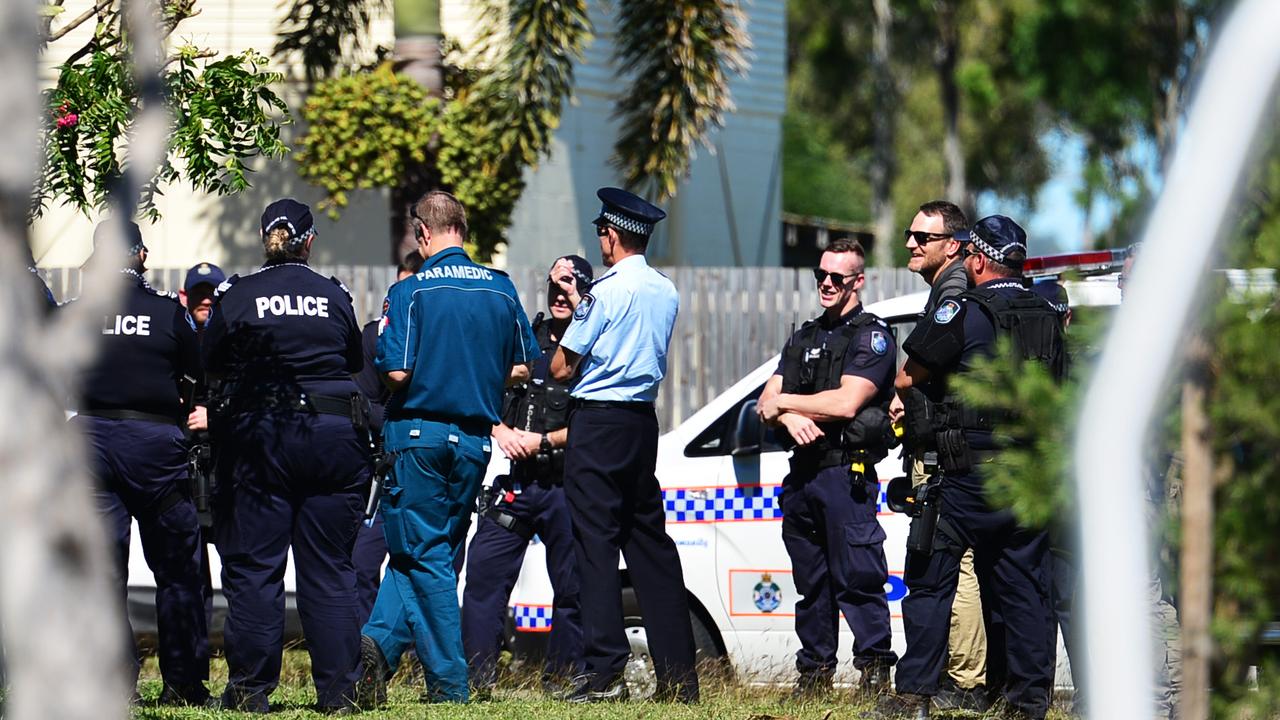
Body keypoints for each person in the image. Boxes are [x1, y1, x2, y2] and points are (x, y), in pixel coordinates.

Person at [874, 215, 1065, 720]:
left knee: (932, 578)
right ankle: (1028, 704)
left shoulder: (966, 310)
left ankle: (913, 695)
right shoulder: (1046, 312)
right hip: (1026, 475)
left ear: (977, 259)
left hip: (966, 475)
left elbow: (909, 377)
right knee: (1025, 589)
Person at [356, 190, 539, 706]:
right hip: (473, 444)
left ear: (423, 233)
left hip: (417, 438)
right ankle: (379, 644)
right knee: (427, 551)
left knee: (425, 554)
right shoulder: (501, 290)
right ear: (463, 227)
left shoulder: (412, 291)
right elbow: (527, 363)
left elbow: (395, 371)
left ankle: (449, 683)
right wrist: (478, 376)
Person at [203, 198, 369, 713]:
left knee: (256, 569)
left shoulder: (237, 294)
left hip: (263, 438)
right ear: (309, 241)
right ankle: (340, 693)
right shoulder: (335, 295)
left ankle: (251, 691)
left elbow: (211, 362)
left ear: (264, 240)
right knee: (330, 570)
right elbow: (353, 361)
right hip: (333, 438)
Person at [548, 187, 697, 704]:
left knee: (595, 545)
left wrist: (575, 311)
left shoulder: (604, 293)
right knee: (649, 544)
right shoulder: (665, 289)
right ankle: (679, 677)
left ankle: (604, 671)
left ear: (610, 236)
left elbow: (562, 367)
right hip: (640, 422)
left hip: (597, 422)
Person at [71, 220, 209, 705]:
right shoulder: (169, 315)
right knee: (177, 569)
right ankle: (183, 683)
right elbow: (197, 376)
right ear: (142, 257)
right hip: (154, 447)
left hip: (90, 444)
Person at [755, 238, 898, 698]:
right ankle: (814, 676)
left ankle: (874, 675)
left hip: (845, 475)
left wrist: (785, 403)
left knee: (858, 581)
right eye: (821, 275)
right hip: (804, 477)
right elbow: (764, 402)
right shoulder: (805, 336)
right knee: (812, 585)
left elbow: (845, 402)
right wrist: (786, 414)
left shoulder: (870, 335)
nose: (827, 284)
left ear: (859, 280)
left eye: (838, 277)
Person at [461, 255, 593, 697]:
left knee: (573, 587)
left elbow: (600, 429)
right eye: (553, 282)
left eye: (570, 283)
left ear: (586, 291)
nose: (560, 292)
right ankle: (476, 678)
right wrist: (499, 429)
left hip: (565, 487)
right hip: (516, 485)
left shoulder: (595, 351)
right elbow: (479, 392)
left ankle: (562, 679)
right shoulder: (522, 343)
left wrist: (545, 441)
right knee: (482, 577)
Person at [898, 200, 990, 712]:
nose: (911, 243)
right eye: (910, 234)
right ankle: (965, 679)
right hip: (947, 447)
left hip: (947, 453)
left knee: (950, 568)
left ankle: (964, 682)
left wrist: (901, 387)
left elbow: (914, 370)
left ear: (952, 246)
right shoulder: (948, 289)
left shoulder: (953, 292)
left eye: (922, 237)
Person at [350, 251, 425, 626]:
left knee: (421, 562)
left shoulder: (436, 339)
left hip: (424, 464)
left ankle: (413, 649)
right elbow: (365, 404)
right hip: (383, 466)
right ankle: (367, 647)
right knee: (363, 560)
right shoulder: (372, 336)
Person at [179, 262, 226, 329]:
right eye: (199, 294)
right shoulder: (168, 335)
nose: (206, 302)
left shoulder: (239, 335)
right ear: (183, 297)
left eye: (214, 294)